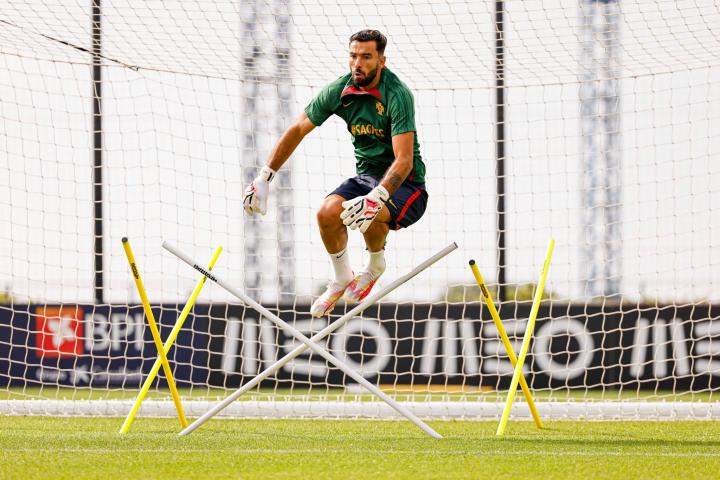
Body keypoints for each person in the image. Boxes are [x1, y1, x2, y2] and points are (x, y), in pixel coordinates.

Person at [243, 29, 428, 317]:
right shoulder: (340, 90)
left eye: (366, 57)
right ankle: (342, 277)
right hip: (366, 178)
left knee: (368, 213)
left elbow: (404, 161)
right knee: (327, 213)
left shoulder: (397, 94)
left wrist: (377, 197)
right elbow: (298, 128)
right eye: (353, 56)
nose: (358, 63)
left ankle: (375, 265)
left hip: (408, 185)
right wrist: (264, 177)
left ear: (382, 61)